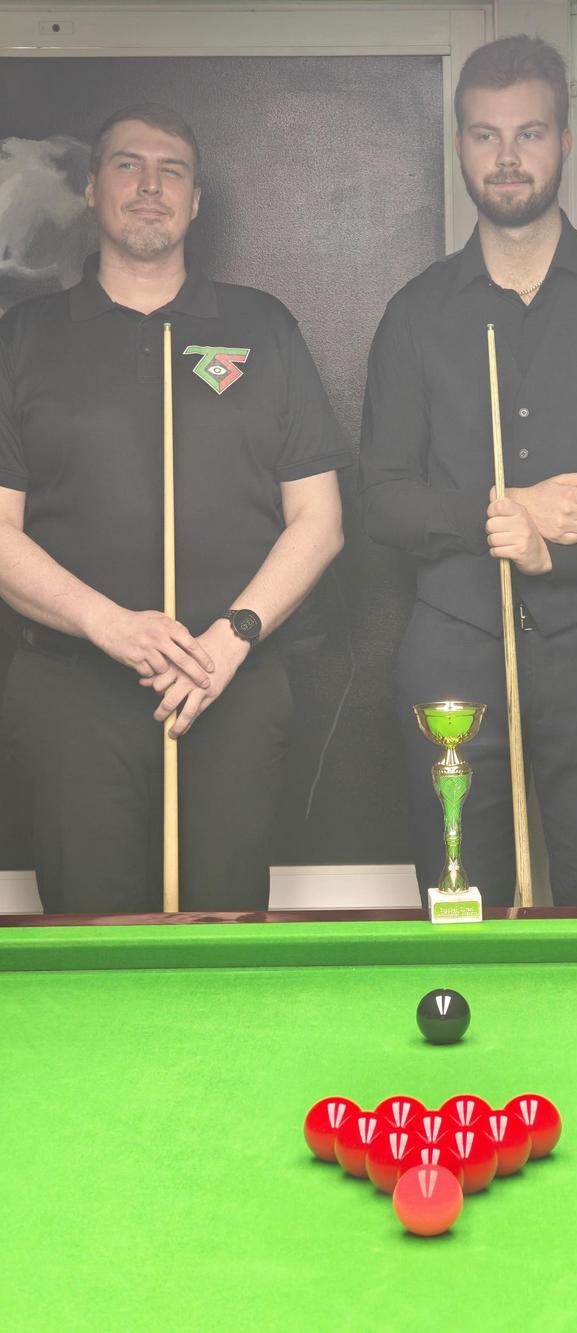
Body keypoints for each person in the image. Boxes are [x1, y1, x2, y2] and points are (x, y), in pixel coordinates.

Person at [359, 36, 577, 907]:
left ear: (565, 142)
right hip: (454, 643)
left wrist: (557, 550)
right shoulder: (416, 313)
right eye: (486, 135)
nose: (507, 156)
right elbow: (384, 499)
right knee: (459, 901)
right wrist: (503, 511)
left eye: (530, 133)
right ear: (460, 147)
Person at [0, 103, 350, 912]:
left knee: (226, 930)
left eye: (172, 171)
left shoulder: (261, 327)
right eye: (129, 165)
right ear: (92, 188)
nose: (150, 186)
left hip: (231, 681)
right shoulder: (26, 337)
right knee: (93, 937)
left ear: (195, 202)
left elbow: (320, 521)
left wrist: (230, 639)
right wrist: (111, 625)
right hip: (72, 691)